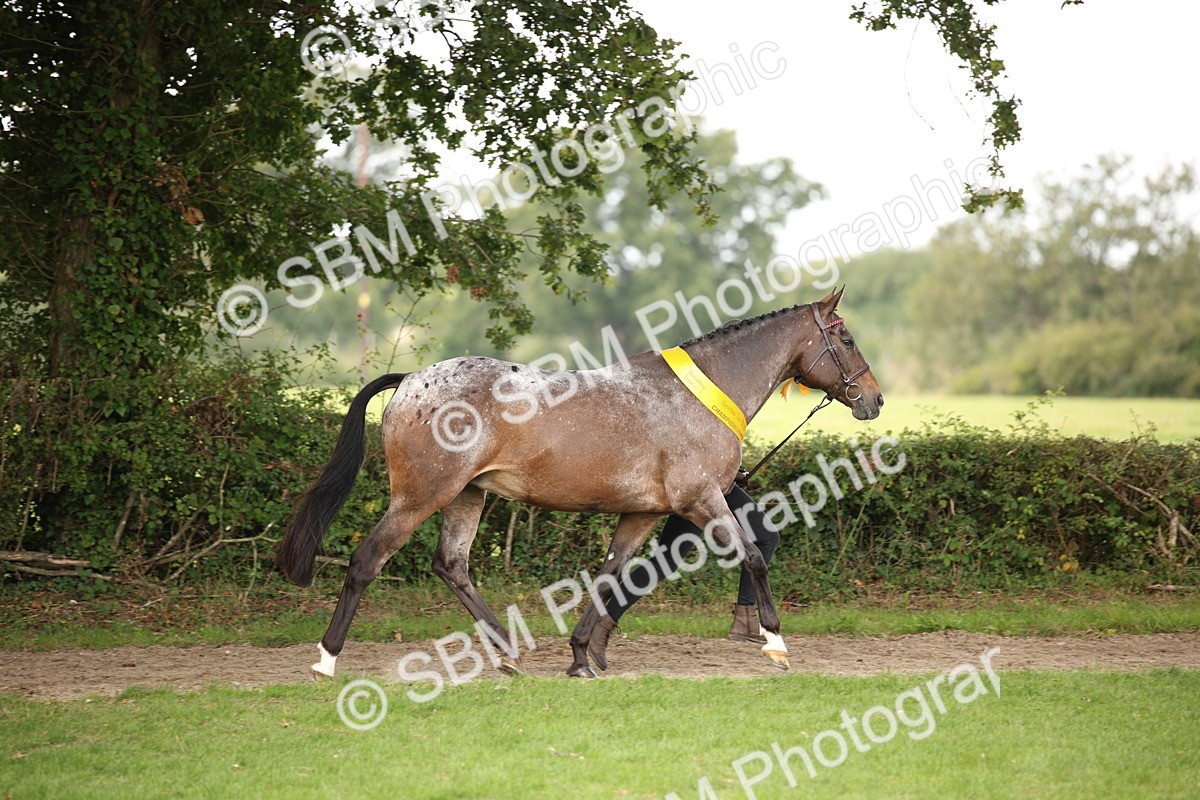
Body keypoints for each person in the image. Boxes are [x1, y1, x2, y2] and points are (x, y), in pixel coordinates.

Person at [588, 472, 780, 667]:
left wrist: (735, 470)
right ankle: (604, 622)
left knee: (666, 560)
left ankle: (745, 618)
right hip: (700, 484)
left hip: (710, 481)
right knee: (765, 537)